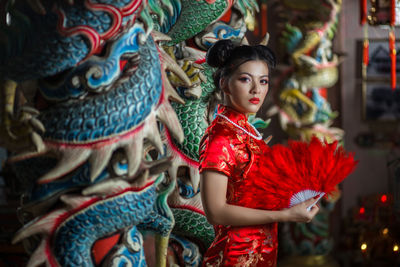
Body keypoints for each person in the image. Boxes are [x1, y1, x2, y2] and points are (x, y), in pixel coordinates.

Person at [199, 39, 320, 267]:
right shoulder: (221, 138)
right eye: (246, 79)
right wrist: (284, 216)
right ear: (224, 83)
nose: (257, 90)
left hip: (263, 252)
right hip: (234, 256)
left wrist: (297, 202)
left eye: (263, 81)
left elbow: (252, 195)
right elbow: (216, 212)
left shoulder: (246, 132)